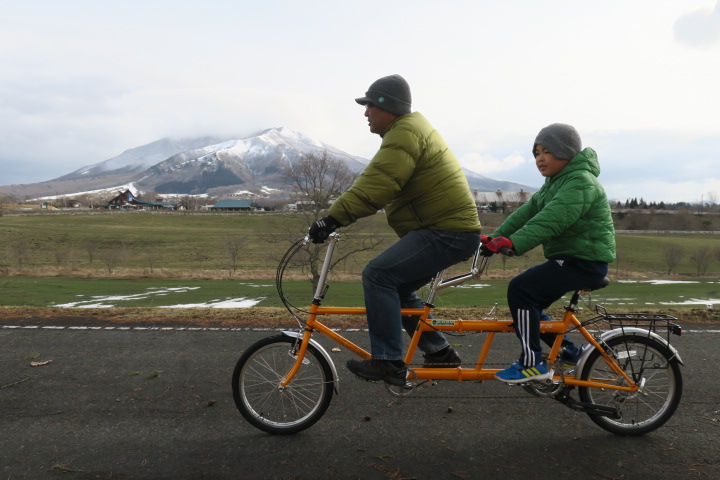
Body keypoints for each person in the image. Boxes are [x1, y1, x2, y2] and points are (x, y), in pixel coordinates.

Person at [308, 74, 482, 386]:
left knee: (378, 275)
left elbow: (377, 185)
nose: (366, 113)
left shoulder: (404, 135)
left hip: (446, 230)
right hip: (450, 230)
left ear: (388, 107)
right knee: (397, 287)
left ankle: (388, 360)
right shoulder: (408, 131)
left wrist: (331, 220)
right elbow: (377, 182)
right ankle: (439, 352)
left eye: (370, 106)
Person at [481, 123, 616, 383]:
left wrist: (513, 242)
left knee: (521, 289)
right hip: (573, 260)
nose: (540, 159)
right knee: (530, 303)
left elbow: (551, 219)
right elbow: (527, 213)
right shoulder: (555, 183)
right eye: (536, 153)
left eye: (547, 152)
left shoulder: (581, 182)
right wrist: (494, 238)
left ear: (566, 152)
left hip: (585, 262)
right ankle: (569, 350)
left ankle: (532, 363)